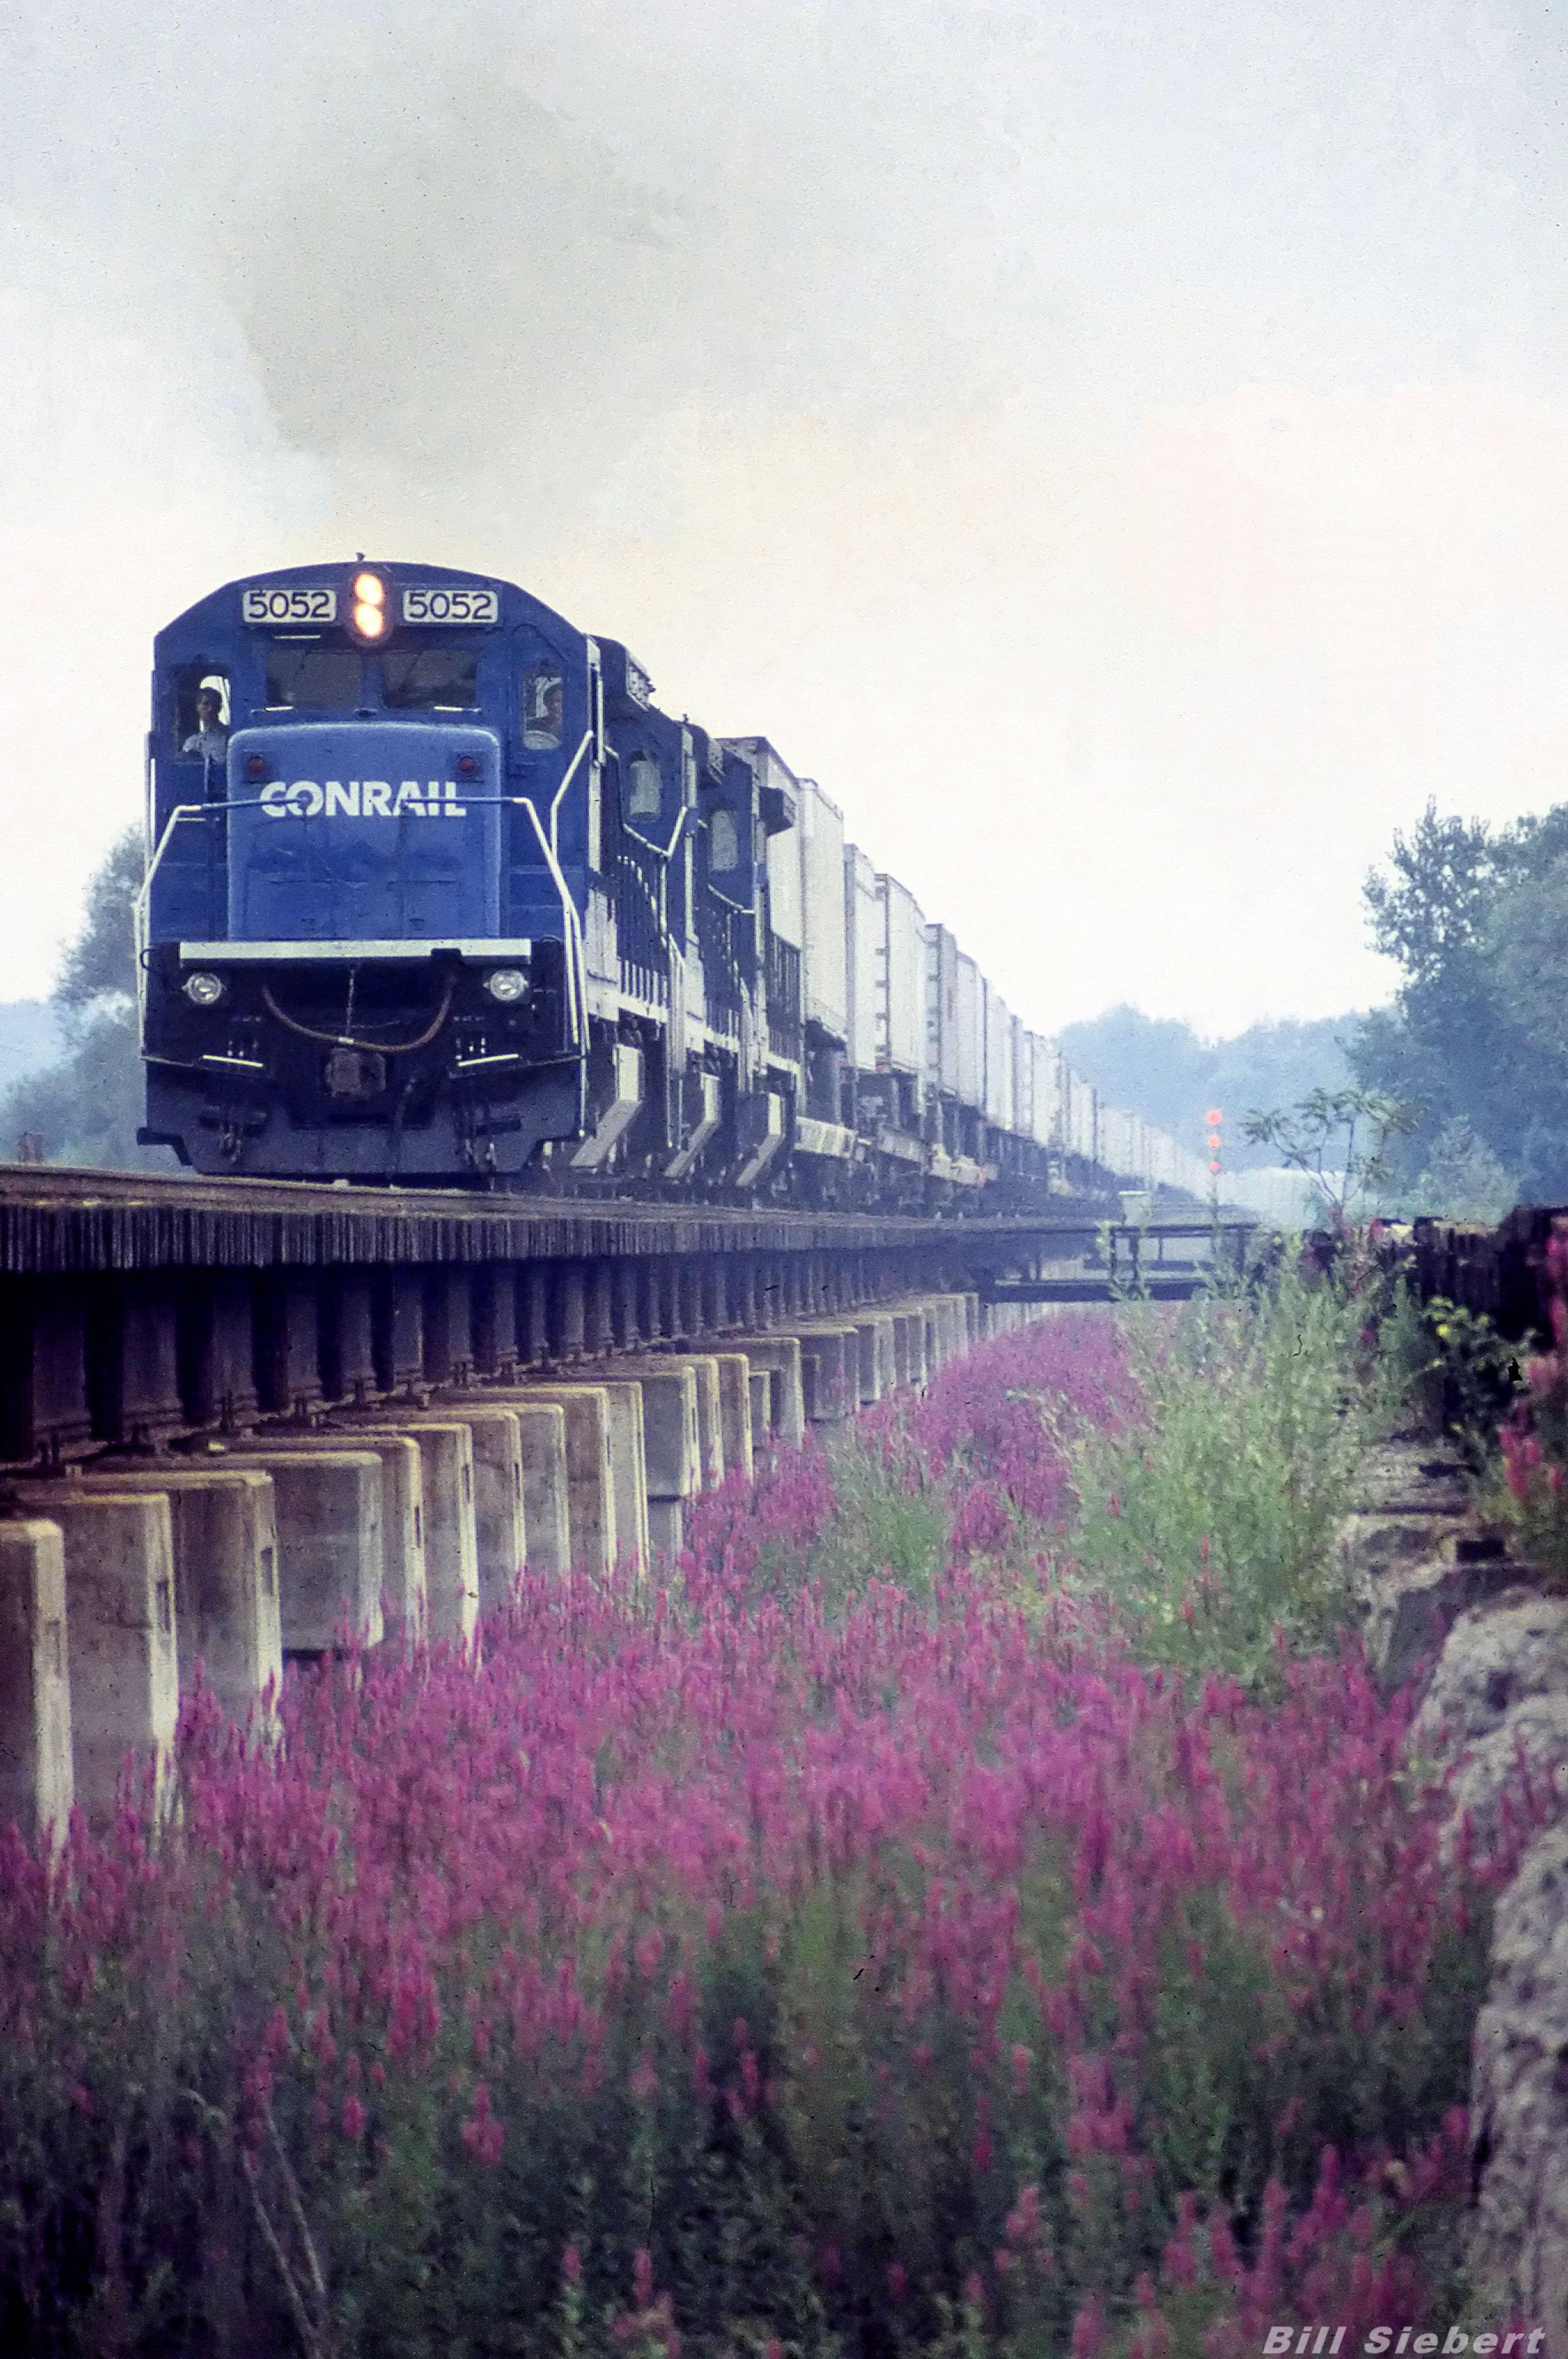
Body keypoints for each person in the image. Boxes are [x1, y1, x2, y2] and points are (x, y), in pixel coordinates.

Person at [182, 684, 228, 763]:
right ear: (198, 708)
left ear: (219, 707)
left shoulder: (231, 737)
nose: (210, 709)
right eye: (206, 704)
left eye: (214, 704)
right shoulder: (192, 743)